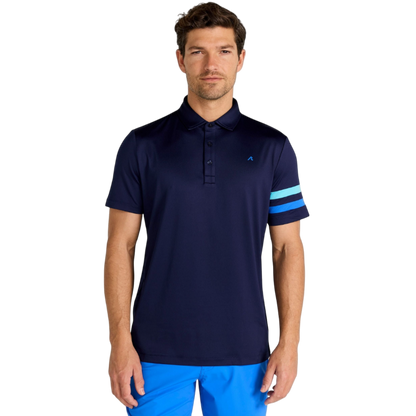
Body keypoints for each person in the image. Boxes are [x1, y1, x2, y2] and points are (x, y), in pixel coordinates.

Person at [102, 1, 310, 415]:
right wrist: (118, 343)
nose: (211, 64)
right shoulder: (142, 145)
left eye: (224, 51)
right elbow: (118, 246)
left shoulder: (273, 148)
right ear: (179, 60)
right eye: (198, 51)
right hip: (153, 352)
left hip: (246, 353)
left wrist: (290, 345)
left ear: (242, 60)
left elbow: (289, 250)